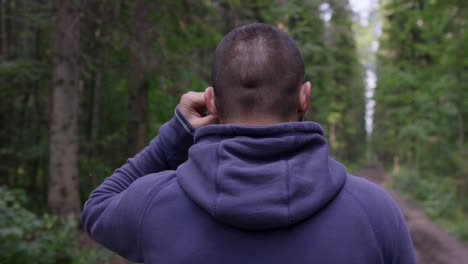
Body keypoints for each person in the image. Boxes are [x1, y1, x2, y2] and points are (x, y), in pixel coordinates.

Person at [82, 23, 416, 264]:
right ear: (305, 96)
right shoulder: (375, 212)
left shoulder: (153, 203)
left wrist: (177, 132)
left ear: (211, 102)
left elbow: (98, 207)